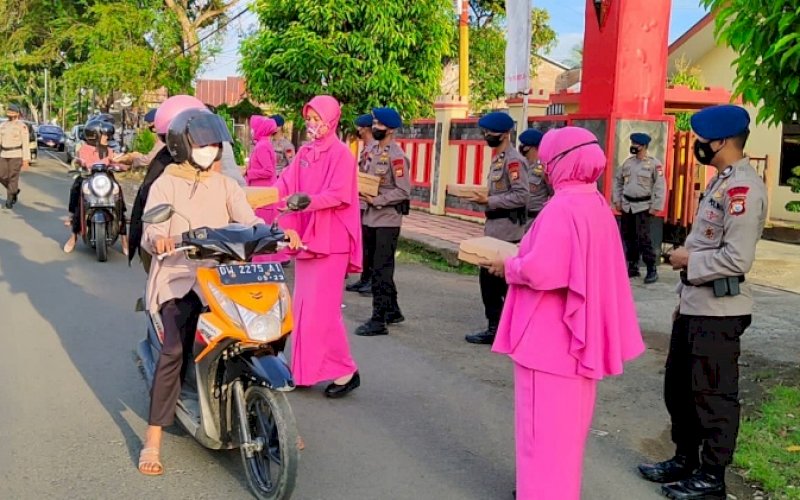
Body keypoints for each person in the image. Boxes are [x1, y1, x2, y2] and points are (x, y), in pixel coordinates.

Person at [137, 107, 301, 476]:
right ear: (183, 146)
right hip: (181, 273)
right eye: (203, 145)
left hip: (225, 274)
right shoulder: (167, 182)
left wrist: (274, 233)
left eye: (215, 145)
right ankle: (154, 437)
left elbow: (249, 219)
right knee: (174, 349)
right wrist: (159, 239)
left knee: (268, 327)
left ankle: (276, 419)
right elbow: (151, 229)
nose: (210, 151)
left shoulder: (226, 184)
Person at [483, 126, 645, 499]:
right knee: (566, 436)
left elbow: (543, 271)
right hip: (577, 340)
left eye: (546, 161)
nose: (542, 168)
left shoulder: (562, 206)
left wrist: (508, 266)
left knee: (540, 433)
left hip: (548, 341)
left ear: (559, 162)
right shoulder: (596, 203)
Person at [638, 105, 767, 500]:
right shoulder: (719, 182)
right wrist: (682, 298)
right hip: (696, 305)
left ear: (723, 142)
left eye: (702, 139)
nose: (698, 145)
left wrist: (687, 261)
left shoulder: (744, 189)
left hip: (721, 312)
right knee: (679, 390)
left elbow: (737, 258)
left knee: (712, 395)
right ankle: (685, 459)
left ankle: (711, 477)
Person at [270, 95, 363, 397]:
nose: (312, 124)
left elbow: (339, 195)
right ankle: (304, 371)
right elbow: (285, 183)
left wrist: (307, 201)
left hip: (331, 241)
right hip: (308, 239)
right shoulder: (306, 151)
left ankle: (346, 370)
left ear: (331, 120)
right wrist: (258, 195)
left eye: (317, 119)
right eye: (309, 119)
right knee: (304, 310)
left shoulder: (342, 155)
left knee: (322, 312)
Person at [465, 112, 529, 345]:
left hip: (507, 230)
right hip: (494, 228)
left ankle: (502, 329)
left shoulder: (514, 161)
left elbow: (522, 196)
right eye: (485, 132)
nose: (486, 136)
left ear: (505, 134)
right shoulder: (499, 159)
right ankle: (498, 327)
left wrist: (489, 201)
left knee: (497, 283)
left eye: (490, 132)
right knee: (490, 283)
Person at [128, 95, 207, 271]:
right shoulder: (164, 172)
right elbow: (153, 214)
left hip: (207, 248)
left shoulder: (212, 170)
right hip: (172, 249)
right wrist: (158, 238)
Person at [354, 107, 411, 337]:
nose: (374, 127)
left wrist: (378, 200)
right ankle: (393, 310)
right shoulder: (372, 151)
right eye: (374, 123)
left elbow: (403, 190)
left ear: (390, 129)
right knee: (379, 266)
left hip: (387, 218)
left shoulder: (396, 156)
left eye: (378, 125)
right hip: (370, 216)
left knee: (381, 269)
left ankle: (378, 319)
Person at [63, 119, 128, 255]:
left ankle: (124, 239)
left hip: (106, 180)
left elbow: (116, 160)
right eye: (104, 135)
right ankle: (73, 236)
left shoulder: (109, 150)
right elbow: (82, 161)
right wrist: (82, 164)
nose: (107, 137)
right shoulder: (84, 149)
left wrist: (122, 165)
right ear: (95, 135)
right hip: (89, 179)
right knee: (77, 190)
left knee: (118, 195)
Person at [612, 132, 667, 284]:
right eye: (633, 143)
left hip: (644, 206)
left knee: (644, 238)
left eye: (636, 144)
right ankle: (632, 265)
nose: (633, 146)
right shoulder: (628, 163)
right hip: (628, 206)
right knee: (629, 237)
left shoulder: (654, 164)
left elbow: (660, 186)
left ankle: (651, 268)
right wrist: (617, 200)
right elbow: (617, 181)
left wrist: (656, 206)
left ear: (644, 146)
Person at [346, 113, 379, 295]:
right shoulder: (367, 148)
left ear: (365, 129)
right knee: (365, 244)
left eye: (359, 127)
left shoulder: (375, 149)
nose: (357, 130)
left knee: (371, 245)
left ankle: (370, 280)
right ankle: (365, 278)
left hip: (371, 202)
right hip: (362, 201)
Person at [518, 128, 553, 230]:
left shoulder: (544, 169)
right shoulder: (520, 165)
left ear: (532, 147)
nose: (521, 147)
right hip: (518, 220)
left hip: (535, 221)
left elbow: (553, 193)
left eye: (524, 145)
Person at [0, 103, 31, 209]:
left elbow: (26, 144)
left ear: (17, 113)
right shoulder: (2, 125)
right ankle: (13, 191)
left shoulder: (21, 126)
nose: (10, 113)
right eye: (9, 111)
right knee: (2, 175)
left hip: (16, 154)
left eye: (12, 111)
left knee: (13, 177)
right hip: (4, 154)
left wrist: (26, 160)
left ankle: (9, 199)